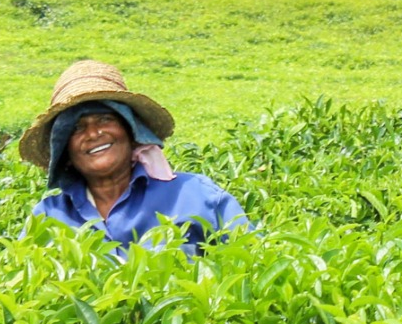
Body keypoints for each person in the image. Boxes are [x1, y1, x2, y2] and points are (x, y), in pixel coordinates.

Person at [18, 59, 248, 255]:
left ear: (132, 133)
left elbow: (252, 257)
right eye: (77, 128)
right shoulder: (48, 217)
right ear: (64, 152)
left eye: (105, 120)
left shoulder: (194, 195)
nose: (93, 133)